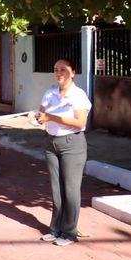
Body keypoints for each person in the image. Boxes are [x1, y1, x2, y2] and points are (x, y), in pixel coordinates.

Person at [34, 58, 91, 247]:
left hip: (72, 144)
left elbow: (80, 122)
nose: (59, 73)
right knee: (56, 190)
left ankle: (69, 232)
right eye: (56, 69)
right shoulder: (49, 93)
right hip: (51, 143)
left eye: (64, 70)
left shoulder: (78, 95)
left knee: (71, 190)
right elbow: (41, 113)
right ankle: (55, 228)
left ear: (73, 72)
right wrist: (37, 118)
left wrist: (50, 117)